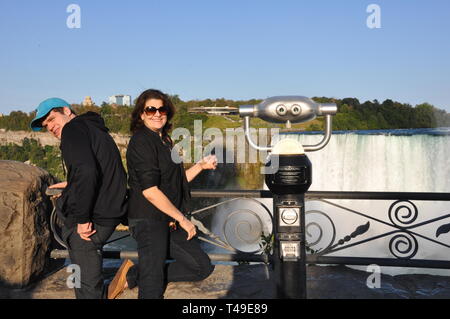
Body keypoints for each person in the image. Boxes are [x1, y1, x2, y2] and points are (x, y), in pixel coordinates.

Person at [109, 89, 216, 299]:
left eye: (162, 109)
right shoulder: (142, 142)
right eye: (150, 109)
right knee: (153, 286)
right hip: (149, 221)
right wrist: (183, 219)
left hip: (167, 219)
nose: (157, 114)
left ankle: (134, 273)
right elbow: (150, 192)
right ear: (141, 114)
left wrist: (200, 166)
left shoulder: (165, 141)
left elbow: (175, 181)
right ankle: (146, 273)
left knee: (201, 267)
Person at [30, 97, 128, 299]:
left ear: (66, 110)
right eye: (45, 124)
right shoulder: (93, 128)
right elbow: (100, 169)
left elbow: (87, 171)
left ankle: (130, 274)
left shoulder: (72, 130)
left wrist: (83, 220)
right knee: (85, 282)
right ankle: (125, 275)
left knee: (87, 289)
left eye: (51, 118)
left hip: (92, 220)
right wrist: (72, 182)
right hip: (107, 211)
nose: (49, 126)